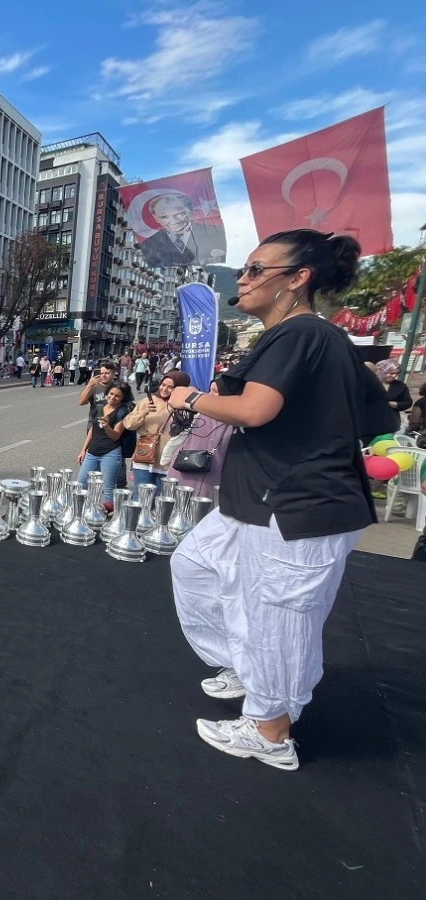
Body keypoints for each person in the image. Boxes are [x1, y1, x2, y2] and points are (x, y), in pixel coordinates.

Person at [166, 229, 396, 771]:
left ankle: (270, 730)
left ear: (298, 279)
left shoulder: (300, 335)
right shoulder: (314, 341)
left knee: (278, 616)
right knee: (195, 564)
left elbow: (255, 410)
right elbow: (371, 414)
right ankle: (248, 670)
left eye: (255, 270)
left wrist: (191, 397)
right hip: (261, 499)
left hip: (296, 505)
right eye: (243, 270)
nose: (242, 281)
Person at [122, 371, 192, 496]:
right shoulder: (147, 402)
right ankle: (135, 516)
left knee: (162, 497)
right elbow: (128, 424)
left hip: (167, 459)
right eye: (163, 384)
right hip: (145, 455)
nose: (164, 389)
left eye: (170, 387)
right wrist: (144, 412)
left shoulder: (185, 406)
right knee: (141, 496)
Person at [76, 383, 131, 505]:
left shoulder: (122, 412)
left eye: (117, 396)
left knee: (108, 489)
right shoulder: (100, 406)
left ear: (123, 398)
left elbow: (116, 435)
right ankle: (79, 513)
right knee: (81, 485)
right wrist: (83, 450)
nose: (112, 397)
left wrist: (106, 426)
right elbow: (93, 429)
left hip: (110, 453)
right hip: (92, 452)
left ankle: (109, 516)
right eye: (111, 394)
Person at [138, 193, 226, 268]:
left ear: (190, 212)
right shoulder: (149, 244)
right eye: (164, 217)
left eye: (179, 213)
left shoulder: (214, 234)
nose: (173, 220)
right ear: (156, 219)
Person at [374, 359, 412, 426]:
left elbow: (408, 402)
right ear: (382, 372)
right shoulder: (371, 383)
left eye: (397, 373)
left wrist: (393, 404)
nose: (394, 376)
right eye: (391, 373)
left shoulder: (400, 386)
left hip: (391, 421)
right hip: (371, 420)